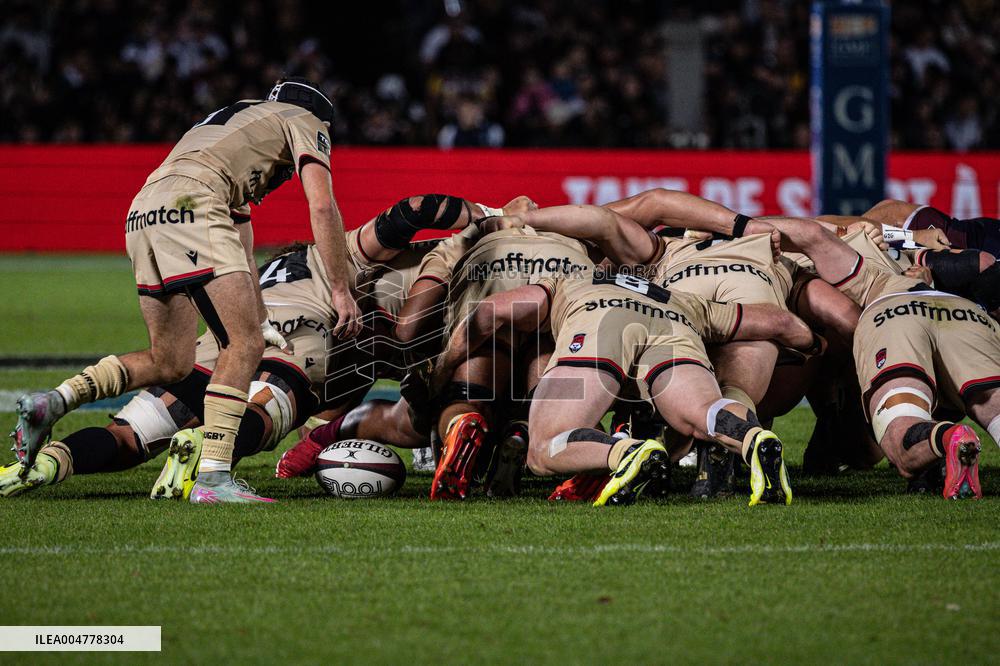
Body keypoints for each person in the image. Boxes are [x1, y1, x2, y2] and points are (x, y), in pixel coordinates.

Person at [11, 77, 363, 504]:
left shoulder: (237, 124)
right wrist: (341, 290)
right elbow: (322, 205)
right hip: (197, 203)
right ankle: (214, 479)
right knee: (243, 345)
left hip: (144, 208)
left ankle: (57, 400)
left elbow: (242, 244)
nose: (285, 174)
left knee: (171, 359)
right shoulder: (307, 119)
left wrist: (263, 318)